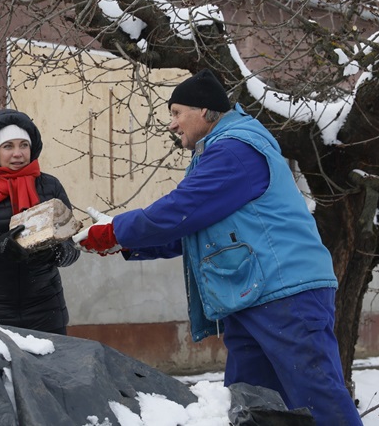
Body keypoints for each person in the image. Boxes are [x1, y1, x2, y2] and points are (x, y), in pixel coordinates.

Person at [74, 69, 362, 425]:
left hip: (286, 293)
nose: (171, 124)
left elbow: (180, 209)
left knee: (318, 397)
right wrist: (124, 243)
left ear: (204, 110)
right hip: (253, 296)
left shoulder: (235, 150)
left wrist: (117, 231)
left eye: (177, 113)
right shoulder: (218, 151)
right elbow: (194, 229)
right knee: (254, 405)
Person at [0, 109, 80, 335]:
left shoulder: (50, 186)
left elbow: (73, 245)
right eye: (8, 146)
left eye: (24, 145)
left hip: (45, 308)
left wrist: (54, 253)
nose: (18, 153)